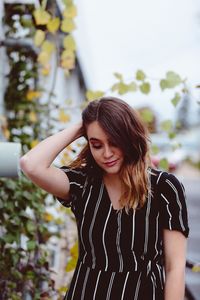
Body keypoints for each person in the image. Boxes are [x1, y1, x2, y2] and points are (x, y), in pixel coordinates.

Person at [20, 96, 189, 300]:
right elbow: (31, 164)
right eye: (97, 144)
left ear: (128, 137)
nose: (107, 153)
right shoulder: (82, 184)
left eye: (114, 142)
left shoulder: (164, 187)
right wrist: (83, 125)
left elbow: (175, 267)